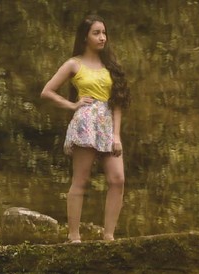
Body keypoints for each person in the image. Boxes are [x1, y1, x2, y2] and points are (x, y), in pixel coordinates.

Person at [40, 15, 131, 243]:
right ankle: (74, 236)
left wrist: (116, 135)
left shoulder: (111, 66)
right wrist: (72, 105)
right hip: (86, 124)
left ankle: (109, 236)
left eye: (104, 33)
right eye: (96, 33)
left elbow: (118, 103)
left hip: (108, 126)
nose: (102, 38)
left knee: (117, 179)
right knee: (80, 180)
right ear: (85, 37)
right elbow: (47, 91)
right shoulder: (74, 64)